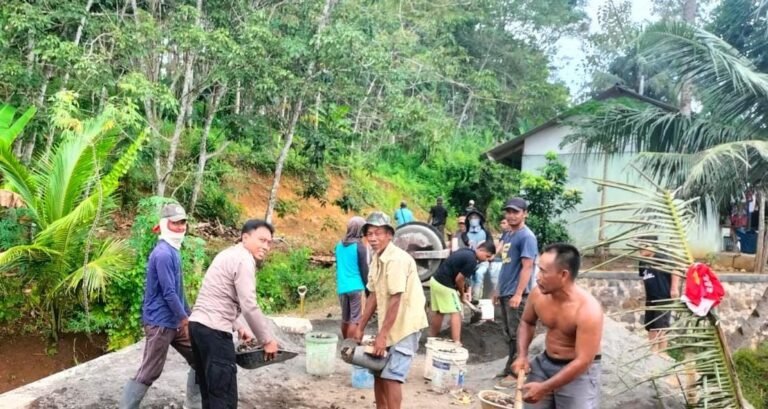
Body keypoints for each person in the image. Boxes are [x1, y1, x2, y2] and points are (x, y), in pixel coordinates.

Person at [189, 219, 280, 409]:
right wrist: (266, 340)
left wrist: (239, 326)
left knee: (210, 395)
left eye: (269, 242)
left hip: (198, 327)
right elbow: (249, 305)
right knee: (224, 399)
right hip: (215, 333)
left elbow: (221, 295)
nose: (266, 246)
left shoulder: (227, 254)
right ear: (245, 237)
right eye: (261, 240)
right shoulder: (244, 260)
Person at [120, 203, 200, 409]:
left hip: (175, 321)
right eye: (175, 223)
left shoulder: (174, 250)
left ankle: (194, 405)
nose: (180, 227)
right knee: (149, 372)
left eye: (183, 223)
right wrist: (185, 320)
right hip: (160, 323)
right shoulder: (163, 253)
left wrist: (189, 315)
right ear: (165, 224)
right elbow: (168, 292)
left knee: (200, 357)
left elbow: (179, 290)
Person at [511, 243, 604, 408]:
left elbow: (583, 361)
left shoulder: (588, 310)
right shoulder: (537, 294)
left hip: (578, 372)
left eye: (543, 271)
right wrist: (522, 355)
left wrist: (544, 388)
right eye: (538, 269)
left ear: (563, 275)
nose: (537, 277)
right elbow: (527, 322)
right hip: (545, 363)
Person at [352, 211, 428, 409]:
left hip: (406, 325)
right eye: (369, 234)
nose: (373, 238)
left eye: (378, 233)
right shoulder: (377, 259)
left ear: (389, 235)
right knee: (378, 372)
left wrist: (382, 336)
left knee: (392, 377)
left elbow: (396, 299)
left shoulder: (396, 260)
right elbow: (373, 295)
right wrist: (360, 327)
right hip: (390, 324)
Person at [494, 197, 538, 389]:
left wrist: (519, 294)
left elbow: (527, 266)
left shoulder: (527, 237)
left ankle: (517, 372)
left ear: (525, 214)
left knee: (519, 333)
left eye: (516, 212)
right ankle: (510, 367)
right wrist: (498, 289)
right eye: (509, 212)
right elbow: (505, 265)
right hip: (506, 291)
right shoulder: (509, 234)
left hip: (516, 293)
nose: (511, 216)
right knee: (509, 333)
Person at [429, 241, 496, 343]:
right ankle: (457, 343)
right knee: (456, 312)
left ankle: (432, 338)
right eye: (487, 256)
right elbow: (459, 279)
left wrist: (464, 290)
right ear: (481, 250)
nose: (486, 260)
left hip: (435, 281)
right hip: (444, 285)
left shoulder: (466, 251)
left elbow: (462, 277)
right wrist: (462, 294)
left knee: (440, 312)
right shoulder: (472, 260)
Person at [638, 238, 680, 353]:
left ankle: (662, 352)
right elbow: (645, 278)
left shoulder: (662, 257)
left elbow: (675, 270)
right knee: (650, 326)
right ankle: (653, 350)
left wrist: (674, 288)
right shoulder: (642, 261)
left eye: (643, 246)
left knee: (661, 325)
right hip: (651, 298)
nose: (640, 249)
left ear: (652, 246)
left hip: (663, 297)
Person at [335, 216, 369, 339]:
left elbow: (339, 265)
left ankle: (345, 341)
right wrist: (368, 289)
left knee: (345, 318)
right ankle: (351, 344)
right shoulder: (359, 247)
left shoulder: (339, 245)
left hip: (342, 287)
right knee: (356, 319)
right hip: (356, 286)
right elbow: (364, 269)